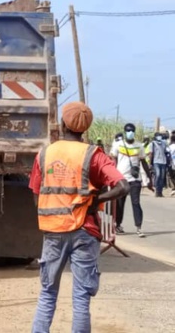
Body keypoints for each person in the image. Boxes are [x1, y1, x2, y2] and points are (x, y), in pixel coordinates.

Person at [30, 102, 128, 333]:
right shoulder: (94, 155)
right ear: (85, 129)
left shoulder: (44, 154)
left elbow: (36, 196)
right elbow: (122, 186)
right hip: (85, 230)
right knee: (81, 298)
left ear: (63, 124)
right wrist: (97, 200)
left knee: (47, 294)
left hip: (53, 231)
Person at [110, 123, 150, 236]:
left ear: (134, 132)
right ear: (125, 132)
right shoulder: (118, 145)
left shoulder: (139, 146)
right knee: (119, 204)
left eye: (132, 130)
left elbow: (144, 163)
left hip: (135, 179)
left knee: (136, 203)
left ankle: (139, 227)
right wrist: (112, 177)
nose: (130, 132)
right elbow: (113, 161)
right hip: (121, 178)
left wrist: (149, 178)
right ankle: (117, 225)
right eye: (128, 130)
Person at [150, 132, 170, 197]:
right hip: (156, 162)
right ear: (155, 137)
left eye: (160, 136)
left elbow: (166, 151)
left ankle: (160, 192)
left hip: (163, 162)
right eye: (158, 136)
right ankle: (156, 188)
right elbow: (151, 153)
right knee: (158, 175)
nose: (159, 137)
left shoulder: (164, 143)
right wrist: (150, 163)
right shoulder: (152, 144)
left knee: (162, 177)